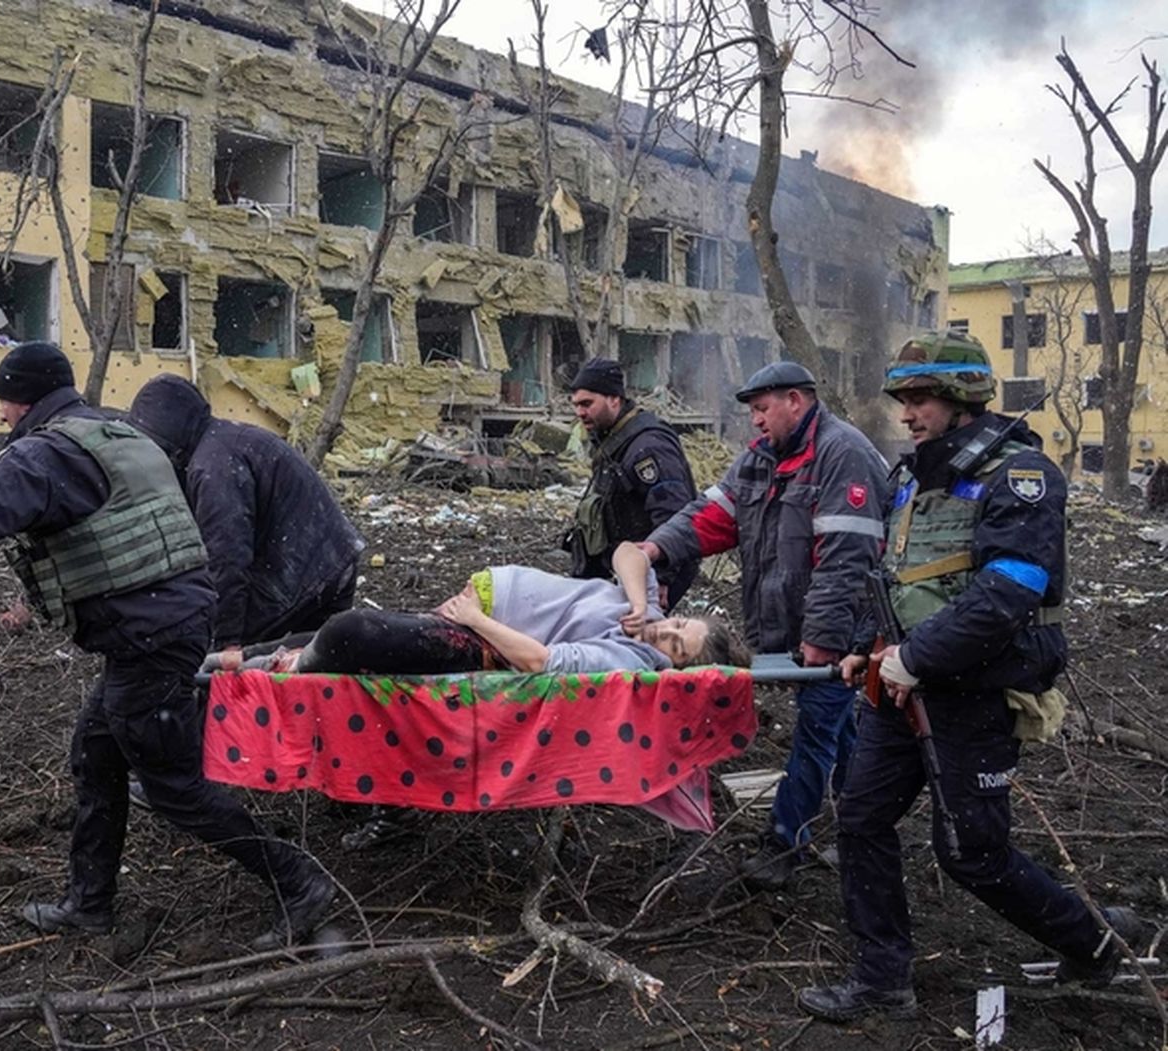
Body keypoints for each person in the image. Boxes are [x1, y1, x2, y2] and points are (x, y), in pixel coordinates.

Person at [0, 342, 334, 950]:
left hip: (150, 634)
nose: (0, 418)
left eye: (2, 403)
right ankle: (88, 904)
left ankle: (298, 881)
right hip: (164, 622)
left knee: (172, 785)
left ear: (18, 401)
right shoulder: (113, 430)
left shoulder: (47, 456)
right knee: (95, 756)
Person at [799, 331, 1145, 1023]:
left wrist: (915, 657)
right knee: (861, 816)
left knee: (971, 854)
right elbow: (897, 582)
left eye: (920, 397)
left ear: (961, 398)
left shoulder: (1019, 476)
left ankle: (1098, 943)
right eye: (904, 398)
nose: (907, 412)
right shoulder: (911, 479)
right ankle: (882, 980)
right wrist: (868, 648)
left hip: (974, 696)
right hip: (899, 690)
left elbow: (1008, 591)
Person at [641, 359, 888, 890]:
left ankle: (784, 841)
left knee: (818, 728)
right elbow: (710, 517)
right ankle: (864, 825)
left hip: (842, 629)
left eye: (761, 409)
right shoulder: (759, 461)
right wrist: (655, 548)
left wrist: (822, 638)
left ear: (795, 401)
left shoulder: (843, 455)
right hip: (791, 628)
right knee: (840, 726)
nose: (754, 421)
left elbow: (847, 559)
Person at [128, 375, 364, 671]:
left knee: (235, 665)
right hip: (330, 559)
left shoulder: (211, 466)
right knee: (311, 672)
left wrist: (226, 642)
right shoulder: (224, 440)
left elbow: (226, 557)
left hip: (302, 573)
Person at [232, 543, 751, 676]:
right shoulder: (647, 613)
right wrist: (641, 602)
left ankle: (268, 668)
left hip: (481, 641)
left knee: (354, 632)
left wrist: (478, 621)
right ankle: (230, 657)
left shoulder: (631, 660)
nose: (665, 634)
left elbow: (540, 662)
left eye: (676, 648)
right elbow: (629, 553)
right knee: (346, 631)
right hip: (476, 606)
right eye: (678, 625)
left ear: (675, 668)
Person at [562, 357, 698, 611]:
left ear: (615, 399)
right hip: (624, 568)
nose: (579, 412)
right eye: (576, 405)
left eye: (587, 404)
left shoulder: (647, 446)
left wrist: (661, 577)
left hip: (648, 570)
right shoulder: (613, 441)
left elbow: (673, 514)